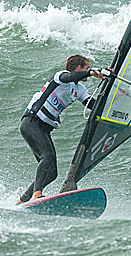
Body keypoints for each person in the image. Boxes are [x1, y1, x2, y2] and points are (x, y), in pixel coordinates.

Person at [16, 54, 104, 204]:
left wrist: (116, 95)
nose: (87, 71)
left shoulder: (80, 89)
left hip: (44, 129)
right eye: (86, 68)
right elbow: (69, 77)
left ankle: (22, 201)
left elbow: (94, 106)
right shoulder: (61, 77)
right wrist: (91, 73)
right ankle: (36, 194)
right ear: (79, 68)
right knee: (47, 156)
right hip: (32, 122)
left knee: (51, 173)